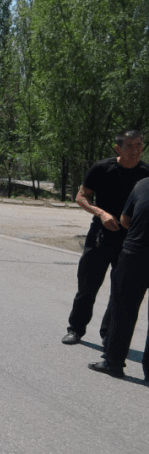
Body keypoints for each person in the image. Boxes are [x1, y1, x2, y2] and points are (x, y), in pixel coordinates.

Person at [62, 130, 149, 345]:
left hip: (129, 241)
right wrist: (100, 213)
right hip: (101, 236)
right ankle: (75, 329)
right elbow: (81, 196)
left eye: (140, 145)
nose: (136, 150)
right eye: (130, 146)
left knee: (120, 291)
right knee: (88, 286)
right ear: (118, 148)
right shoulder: (102, 168)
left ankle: (108, 335)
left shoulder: (146, 173)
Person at [89, 175, 149, 379]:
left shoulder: (142, 184)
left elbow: (125, 220)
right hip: (135, 253)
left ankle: (113, 362)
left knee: (123, 309)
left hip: (135, 254)